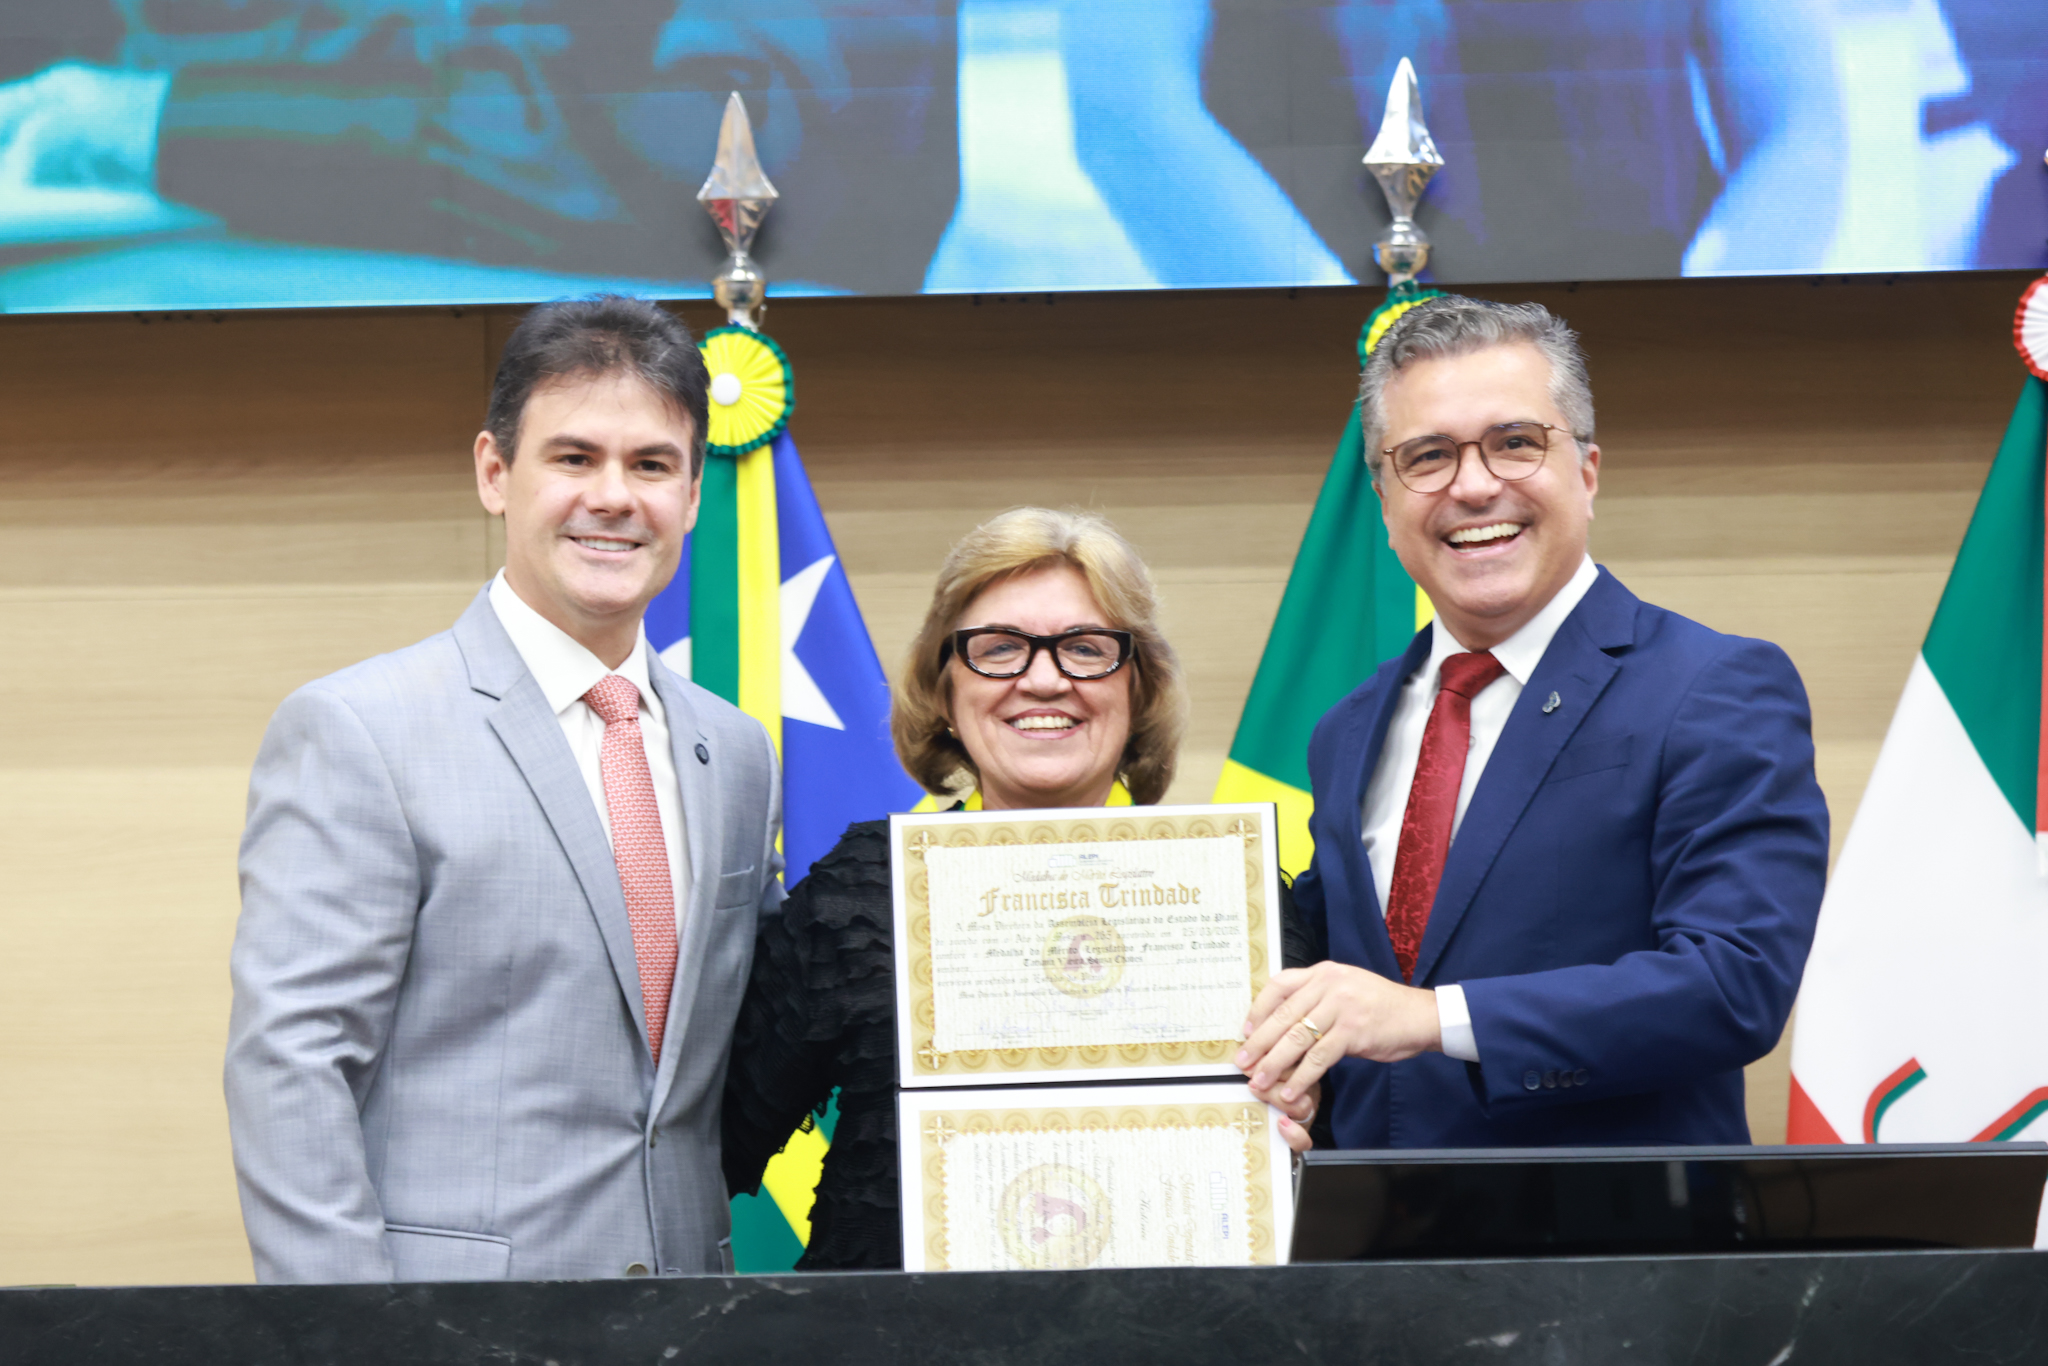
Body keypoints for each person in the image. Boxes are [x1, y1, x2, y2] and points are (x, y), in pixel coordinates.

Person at [225, 296, 784, 1283]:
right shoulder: (361, 730)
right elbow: (293, 1068)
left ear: (694, 494)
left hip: (694, 1320)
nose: (614, 497)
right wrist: (356, 1345)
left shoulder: (734, 754)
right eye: (573, 458)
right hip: (451, 1331)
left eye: (651, 465)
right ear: (495, 472)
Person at [1238, 296, 1828, 1148]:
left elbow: (1734, 984)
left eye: (1515, 443)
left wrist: (1433, 1017)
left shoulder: (1714, 688)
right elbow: (1347, 1001)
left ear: (1586, 471)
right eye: (1428, 456)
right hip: (1366, 1258)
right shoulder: (1348, 728)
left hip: (1611, 1256)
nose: (1474, 486)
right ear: (1384, 499)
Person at [722, 507, 1319, 1270]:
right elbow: (712, 1143)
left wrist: (1302, 1128)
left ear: (1140, 687)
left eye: (1086, 648)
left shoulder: (1240, 902)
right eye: (998, 648)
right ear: (944, 689)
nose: (1044, 679)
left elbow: (1332, 1159)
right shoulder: (861, 896)